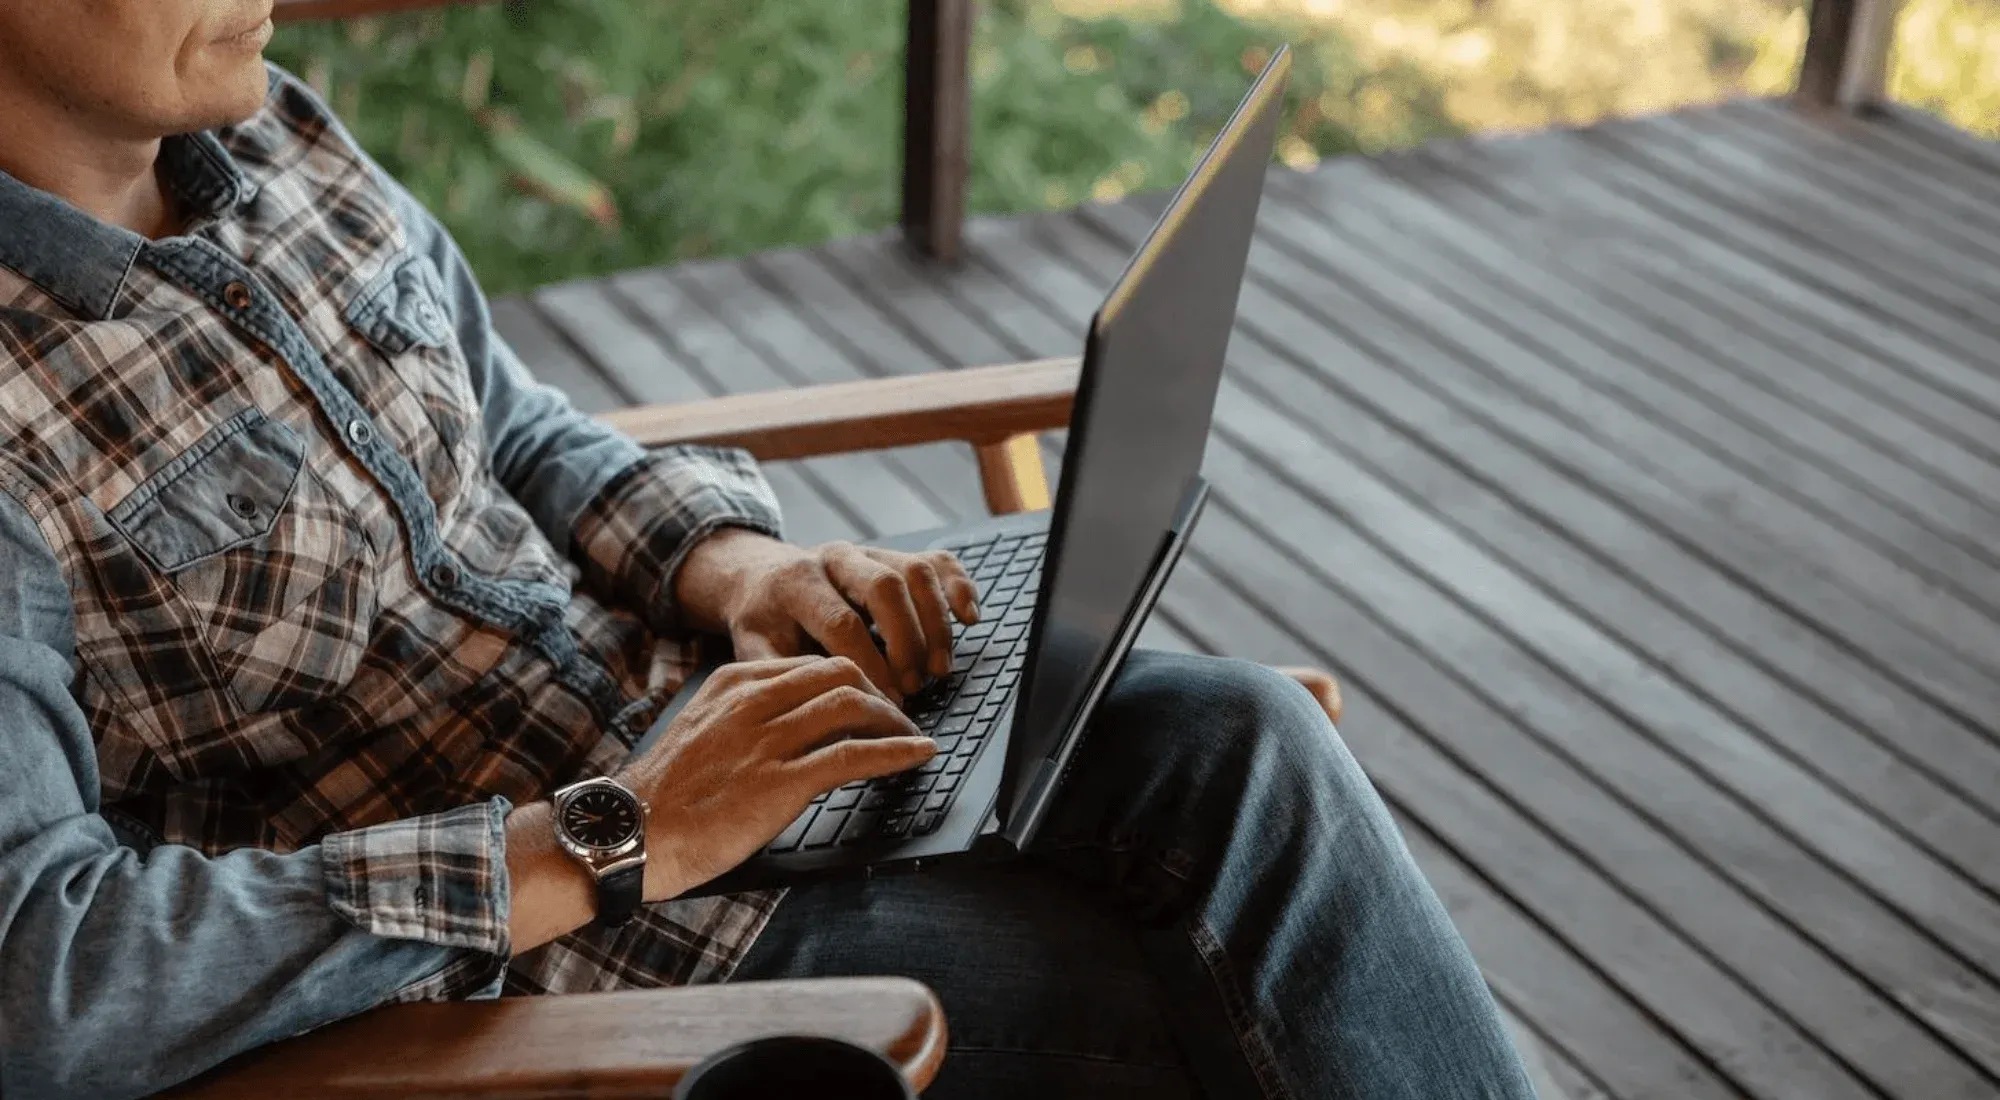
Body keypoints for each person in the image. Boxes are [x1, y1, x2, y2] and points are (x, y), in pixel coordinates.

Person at [0, 3, 1537, 1098]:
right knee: (1224, 1001)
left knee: (1240, 739)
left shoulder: (273, 132)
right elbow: (41, 978)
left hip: (718, 736)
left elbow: (516, 430)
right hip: (548, 961)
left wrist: (740, 572)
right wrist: (613, 833)